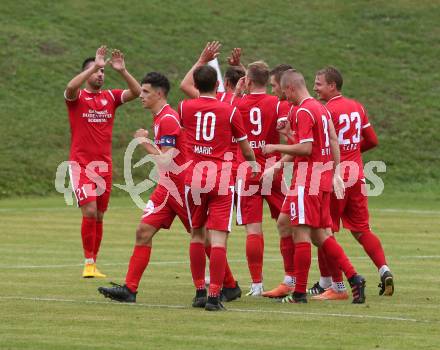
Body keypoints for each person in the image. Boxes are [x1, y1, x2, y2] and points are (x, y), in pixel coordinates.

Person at [263, 70, 366, 304]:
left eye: (281, 90)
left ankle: (298, 292)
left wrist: (275, 147)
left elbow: (306, 149)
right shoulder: (320, 108)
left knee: (302, 233)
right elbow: (330, 139)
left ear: (290, 88)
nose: (283, 97)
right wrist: (336, 172)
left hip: (307, 180)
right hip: (320, 178)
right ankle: (352, 278)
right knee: (309, 231)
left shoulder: (304, 110)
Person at [97, 72, 190, 302]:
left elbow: (166, 159)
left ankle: (228, 284)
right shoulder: (160, 117)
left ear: (159, 94)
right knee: (143, 232)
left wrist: (143, 142)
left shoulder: (168, 119)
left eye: (146, 91)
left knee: (204, 237)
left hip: (181, 188)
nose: (141, 95)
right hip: (166, 189)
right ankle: (130, 289)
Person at [311, 66, 394, 299]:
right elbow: (372, 140)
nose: (315, 88)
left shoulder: (325, 111)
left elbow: (321, 147)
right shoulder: (357, 107)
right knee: (361, 229)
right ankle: (384, 269)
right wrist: (354, 153)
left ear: (332, 86)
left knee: (325, 231)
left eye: (319, 84)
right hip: (357, 175)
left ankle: (335, 286)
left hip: (335, 177)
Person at [179, 65, 256, 311]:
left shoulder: (184, 107)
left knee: (197, 235)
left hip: (194, 179)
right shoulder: (230, 111)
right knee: (219, 240)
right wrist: (253, 164)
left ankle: (199, 291)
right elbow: (244, 147)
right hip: (221, 179)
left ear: (197, 85)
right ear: (217, 86)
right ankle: (214, 296)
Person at [64, 46, 141, 278]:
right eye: (96, 71)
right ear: (87, 74)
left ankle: (93, 263)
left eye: (102, 72)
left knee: (98, 215)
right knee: (89, 210)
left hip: (104, 166)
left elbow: (136, 92)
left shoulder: (110, 97)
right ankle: (88, 262)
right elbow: (70, 87)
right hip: (81, 165)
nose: (100, 74)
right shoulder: (77, 98)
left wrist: (123, 71)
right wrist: (93, 67)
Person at [233, 60, 291, 297]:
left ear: (247, 81)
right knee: (288, 225)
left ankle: (256, 284)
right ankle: (290, 277)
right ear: (268, 82)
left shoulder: (237, 104)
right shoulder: (278, 104)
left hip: (247, 170)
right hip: (273, 169)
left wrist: (236, 94)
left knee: (253, 230)